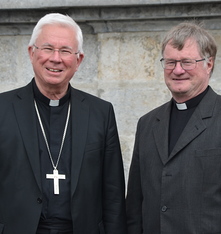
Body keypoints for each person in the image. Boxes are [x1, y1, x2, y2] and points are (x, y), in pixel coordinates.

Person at [0, 13, 127, 234]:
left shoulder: (100, 112)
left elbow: (113, 192)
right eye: (48, 48)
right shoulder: (3, 108)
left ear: (78, 60)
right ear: (32, 53)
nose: (56, 58)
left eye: (66, 51)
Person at [126, 21, 221, 233]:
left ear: (208, 64)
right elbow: (135, 205)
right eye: (170, 62)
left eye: (187, 62)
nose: (178, 70)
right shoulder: (147, 123)